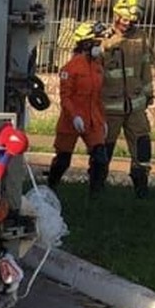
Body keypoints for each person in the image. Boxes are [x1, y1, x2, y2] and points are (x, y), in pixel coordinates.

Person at [100, 0, 155, 198]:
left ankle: (141, 189)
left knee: (142, 146)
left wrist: (149, 93)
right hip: (109, 108)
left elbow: (145, 67)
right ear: (116, 16)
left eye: (132, 21)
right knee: (103, 150)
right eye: (124, 19)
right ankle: (97, 188)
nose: (128, 24)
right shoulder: (103, 39)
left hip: (135, 106)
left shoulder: (140, 37)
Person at [48, 21, 109, 196]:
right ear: (86, 43)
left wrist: (102, 120)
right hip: (71, 120)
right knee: (62, 160)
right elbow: (65, 98)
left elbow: (98, 97)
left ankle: (95, 196)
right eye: (97, 42)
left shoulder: (97, 67)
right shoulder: (70, 68)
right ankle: (50, 188)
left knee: (100, 158)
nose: (100, 46)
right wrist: (74, 117)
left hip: (93, 119)